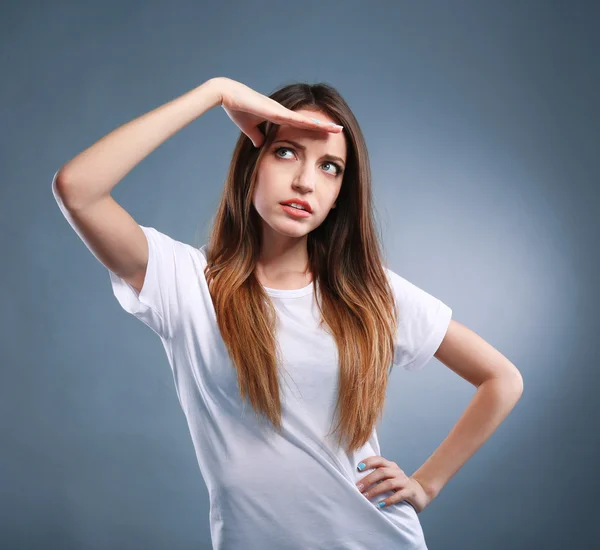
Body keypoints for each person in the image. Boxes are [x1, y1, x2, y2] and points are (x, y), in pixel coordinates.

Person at [52, 77, 524, 549]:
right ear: (251, 164)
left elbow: (501, 378)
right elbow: (78, 189)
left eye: (330, 167)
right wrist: (213, 93)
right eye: (285, 152)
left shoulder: (369, 292)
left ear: (341, 193)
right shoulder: (187, 284)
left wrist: (427, 483)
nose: (305, 181)